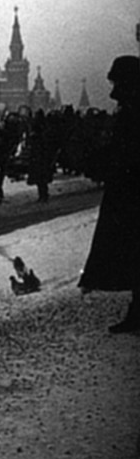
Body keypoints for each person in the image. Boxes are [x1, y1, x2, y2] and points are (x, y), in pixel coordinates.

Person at [79, 55, 140, 334]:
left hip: (131, 195)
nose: (113, 92)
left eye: (117, 84)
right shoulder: (129, 112)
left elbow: (126, 153)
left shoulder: (133, 114)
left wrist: (100, 160)